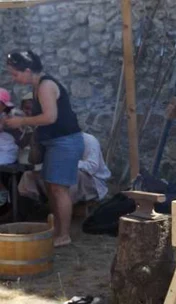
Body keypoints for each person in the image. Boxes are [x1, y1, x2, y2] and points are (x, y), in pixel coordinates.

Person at [5, 50, 84, 247]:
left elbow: (50, 117)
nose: (13, 78)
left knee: (59, 189)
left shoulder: (46, 86)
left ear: (28, 70)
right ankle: (57, 231)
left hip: (65, 142)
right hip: (55, 142)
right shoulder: (37, 86)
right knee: (51, 187)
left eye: (15, 74)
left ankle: (63, 235)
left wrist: (21, 120)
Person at [18, 132, 110, 204]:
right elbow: (34, 162)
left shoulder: (88, 140)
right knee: (28, 175)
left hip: (92, 181)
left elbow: (92, 167)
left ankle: (63, 209)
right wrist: (34, 143)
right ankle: (26, 214)